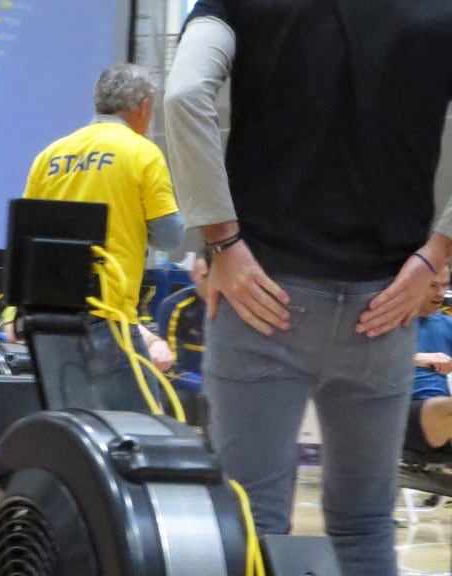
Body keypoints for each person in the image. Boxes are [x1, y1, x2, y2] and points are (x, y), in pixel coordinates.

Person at [163, 2, 452, 574]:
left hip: (263, 297)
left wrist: (222, 242)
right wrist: (436, 253)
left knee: (251, 526)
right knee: (366, 525)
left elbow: (183, 94)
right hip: (384, 305)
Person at [22, 62, 183, 407]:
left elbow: (27, 236)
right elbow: (169, 237)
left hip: (50, 321)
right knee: (141, 431)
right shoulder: (142, 153)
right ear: (143, 107)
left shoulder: (48, 156)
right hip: (109, 318)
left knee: (71, 431)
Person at [406, 267, 452, 456]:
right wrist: (418, 358)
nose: (440, 293)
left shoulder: (447, 325)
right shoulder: (391, 322)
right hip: (402, 410)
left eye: (445, 285)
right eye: (432, 286)